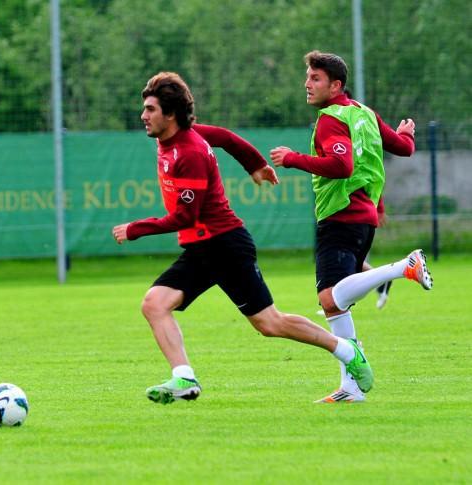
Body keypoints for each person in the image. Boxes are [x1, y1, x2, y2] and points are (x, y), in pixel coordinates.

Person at [112, 71, 373, 405]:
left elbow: (185, 217)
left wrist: (135, 229)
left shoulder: (190, 152)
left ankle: (346, 350)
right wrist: (256, 165)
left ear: (171, 114)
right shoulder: (179, 137)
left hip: (224, 246)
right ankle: (184, 378)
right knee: (155, 304)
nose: (143, 116)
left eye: (150, 109)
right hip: (202, 248)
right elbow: (226, 137)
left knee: (270, 323)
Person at [270, 51, 433, 403]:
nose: (307, 84)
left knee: (329, 298)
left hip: (341, 215)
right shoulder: (364, 113)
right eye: (308, 77)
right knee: (335, 306)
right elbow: (403, 148)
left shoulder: (331, 119)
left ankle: (403, 268)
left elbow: (341, 165)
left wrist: (293, 159)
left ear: (335, 85)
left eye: (315, 78)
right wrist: (407, 134)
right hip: (363, 218)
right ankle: (351, 387)